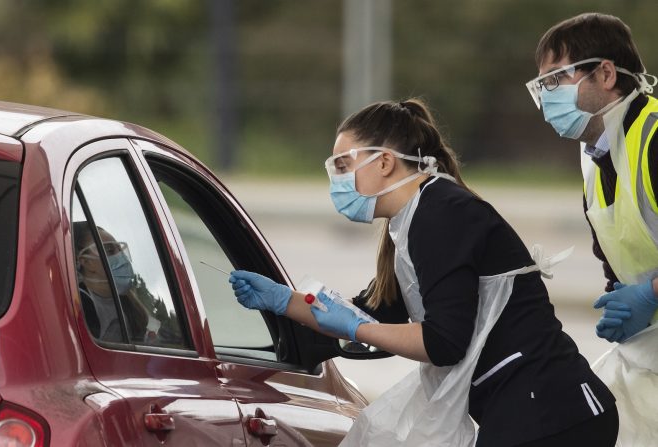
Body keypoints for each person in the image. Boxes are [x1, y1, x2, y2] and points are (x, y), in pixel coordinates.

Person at [229, 99, 618, 446]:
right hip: (530, 409)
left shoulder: (441, 213)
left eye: (343, 165)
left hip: (552, 411)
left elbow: (443, 341)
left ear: (382, 162)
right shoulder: (416, 217)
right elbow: (379, 313)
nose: (336, 180)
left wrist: (354, 328)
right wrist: (285, 300)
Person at [527, 13, 658, 445]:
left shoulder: (654, 137)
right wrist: (621, 297)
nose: (547, 96)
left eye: (556, 79)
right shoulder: (596, 155)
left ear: (605, 73)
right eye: (541, 85)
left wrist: (649, 295)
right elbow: (618, 254)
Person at [73, 221, 151, 343]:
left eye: (119, 249)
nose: (120, 256)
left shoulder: (129, 304)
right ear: (86, 261)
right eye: (109, 250)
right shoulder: (80, 306)